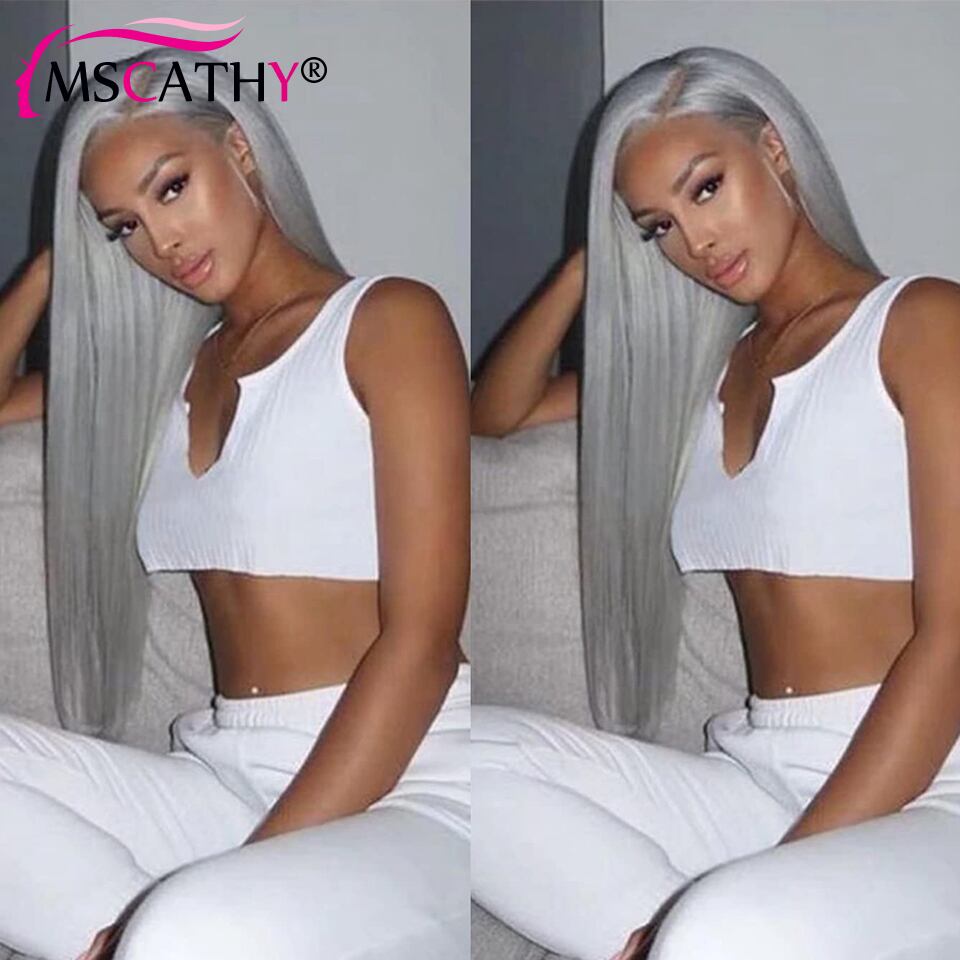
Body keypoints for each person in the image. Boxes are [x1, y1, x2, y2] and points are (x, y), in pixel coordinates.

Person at [471, 45, 960, 960]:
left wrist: (797, 866)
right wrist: (595, 259)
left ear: (774, 150)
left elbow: (954, 640)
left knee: (724, 924)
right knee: (459, 759)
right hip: (760, 772)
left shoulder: (922, 325)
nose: (695, 242)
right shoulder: (705, 374)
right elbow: (494, 413)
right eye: (658, 225)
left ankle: (708, 930)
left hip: (927, 792)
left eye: (706, 188)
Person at [0, 47, 470, 960]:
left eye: (171, 188)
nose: (162, 242)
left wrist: (241, 876)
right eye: (124, 226)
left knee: (188, 929)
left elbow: (423, 645)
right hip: (223, 773)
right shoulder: (165, 371)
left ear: (241, 151)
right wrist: (60, 258)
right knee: (179, 930)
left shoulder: (388, 321)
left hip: (403, 782)